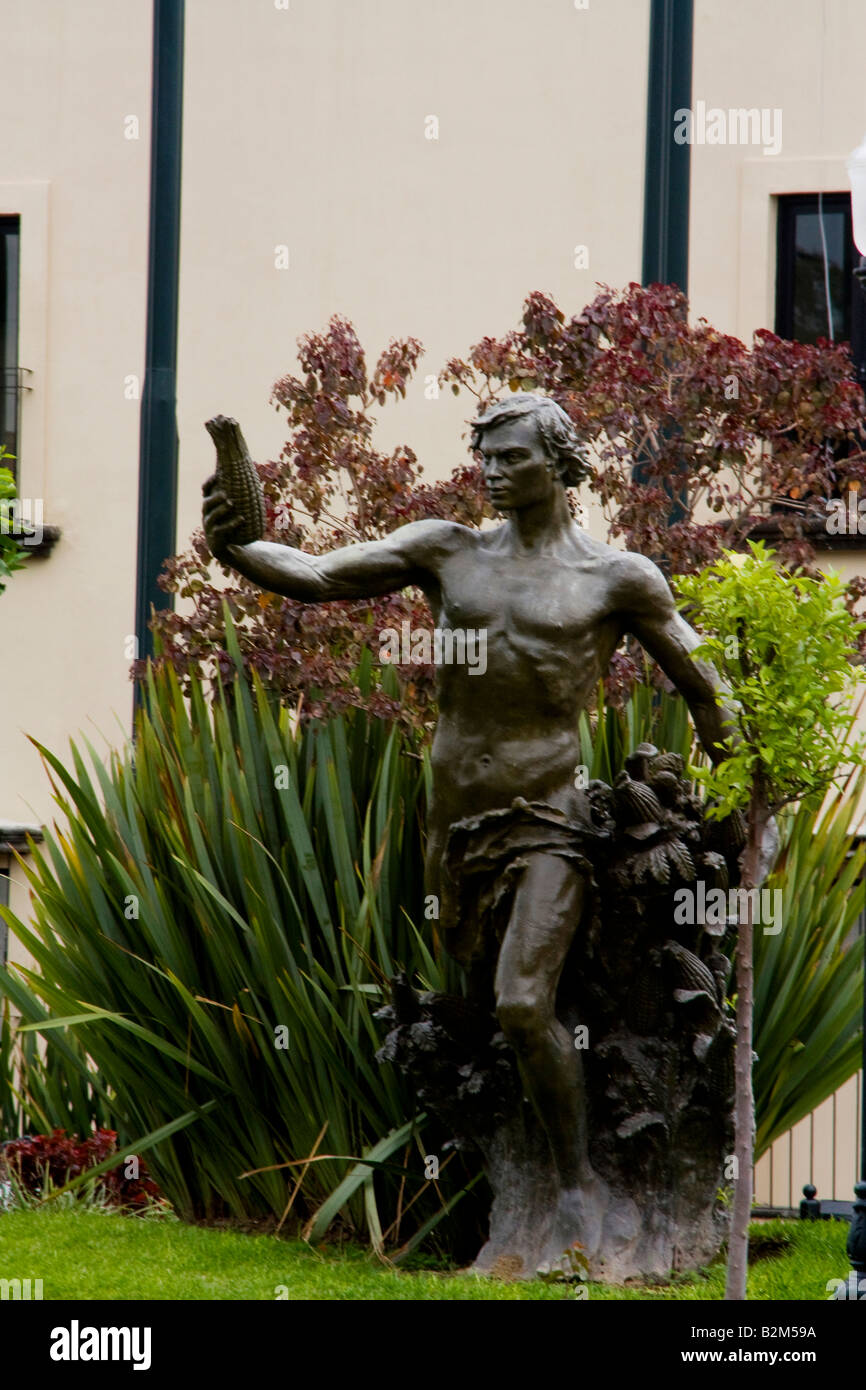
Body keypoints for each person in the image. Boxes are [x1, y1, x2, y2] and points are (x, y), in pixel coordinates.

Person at [202, 393, 735, 1263]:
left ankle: (579, 1186)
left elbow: (706, 689)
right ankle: (529, 1179)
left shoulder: (619, 579)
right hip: (454, 819)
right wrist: (237, 545)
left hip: (552, 815)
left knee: (523, 1005)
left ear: (558, 463)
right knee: (498, 1008)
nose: (490, 471)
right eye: (483, 456)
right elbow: (319, 574)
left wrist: (750, 788)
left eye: (511, 457)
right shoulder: (445, 550)